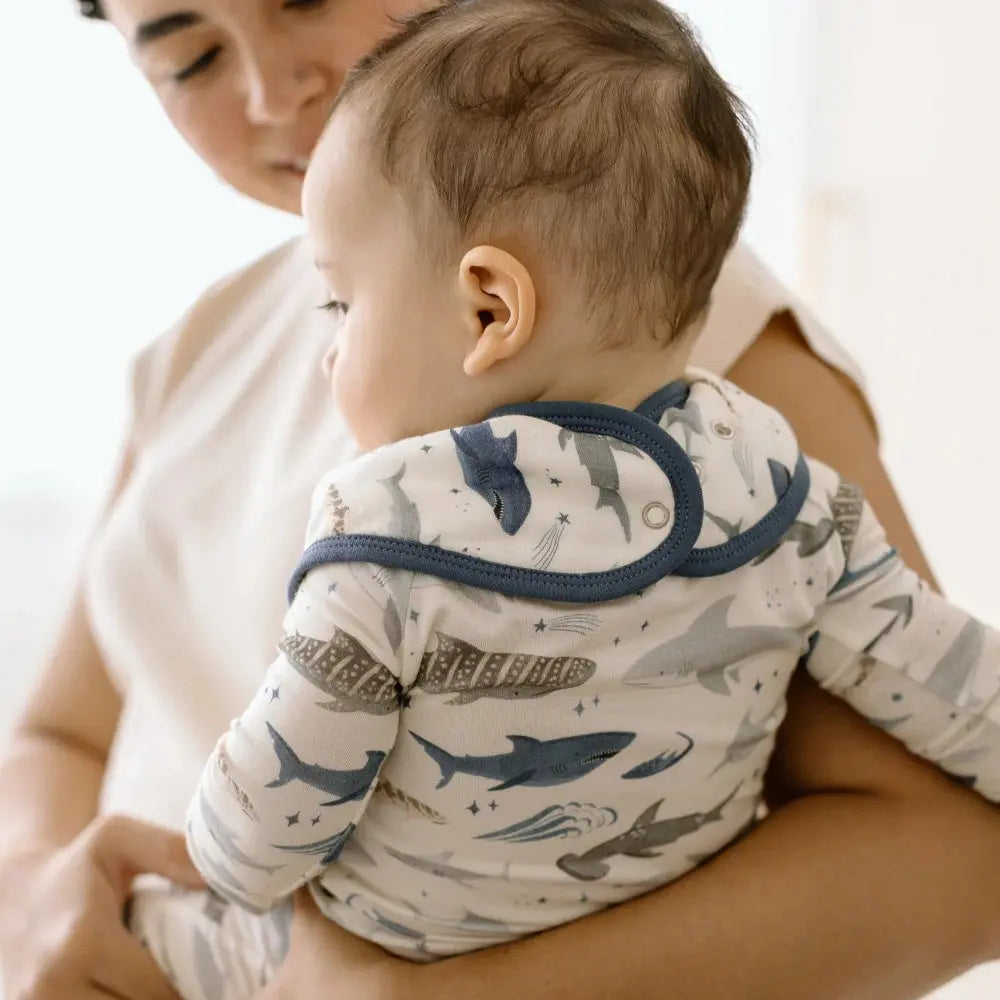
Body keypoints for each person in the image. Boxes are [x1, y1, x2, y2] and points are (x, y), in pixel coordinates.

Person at [1, 1, 999, 999]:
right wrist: (38, 887)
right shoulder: (202, 342)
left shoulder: (653, 322)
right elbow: (61, 732)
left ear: (494, 307)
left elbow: (958, 860)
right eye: (191, 57)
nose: (270, 92)